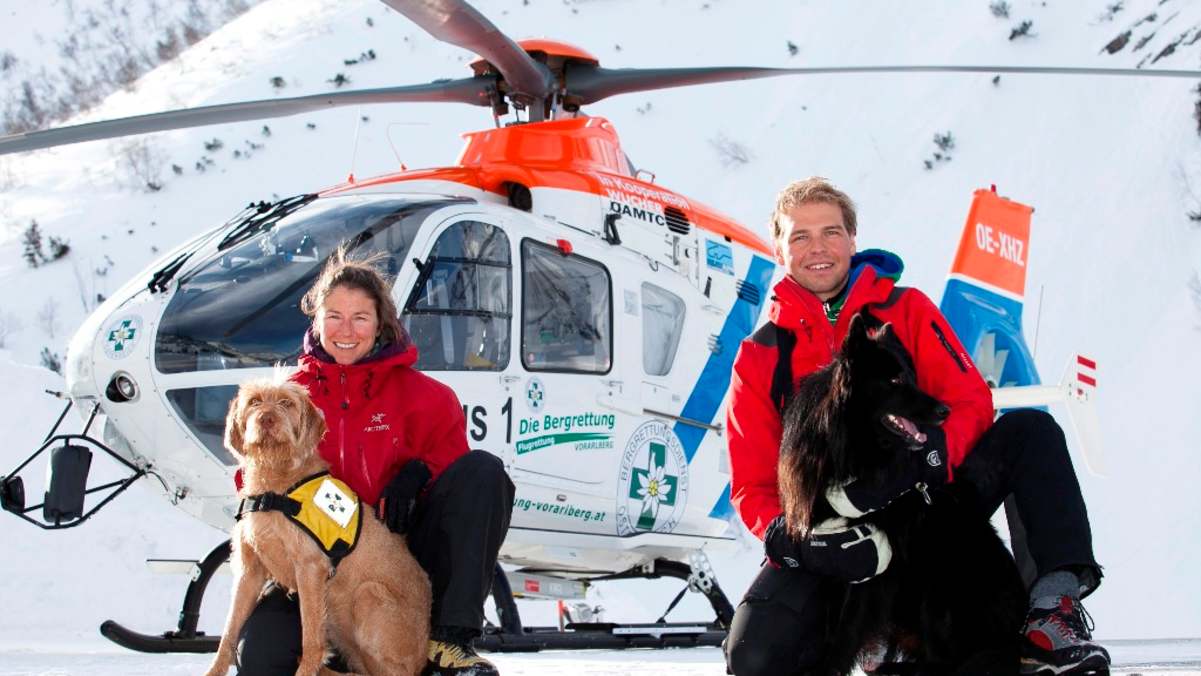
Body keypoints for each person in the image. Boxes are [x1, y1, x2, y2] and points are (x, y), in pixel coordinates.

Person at [722, 178, 1108, 676]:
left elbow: (969, 401)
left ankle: (1051, 616)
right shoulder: (761, 354)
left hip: (926, 501)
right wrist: (796, 538)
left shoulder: (907, 310)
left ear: (853, 239)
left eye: (831, 232)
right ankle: (879, 638)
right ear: (779, 246)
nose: (817, 248)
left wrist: (925, 460)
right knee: (756, 657)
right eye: (800, 236)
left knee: (1031, 431)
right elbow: (751, 482)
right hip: (835, 529)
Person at [236, 249, 515, 676]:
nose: (346, 331)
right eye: (334, 316)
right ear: (316, 321)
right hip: (311, 562)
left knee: (485, 471)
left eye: (360, 318)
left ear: (381, 323)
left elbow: (461, 485)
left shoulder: (427, 396)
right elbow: (252, 473)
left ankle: (448, 641)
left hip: (398, 559)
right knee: (262, 661)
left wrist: (420, 471)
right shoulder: (289, 394)